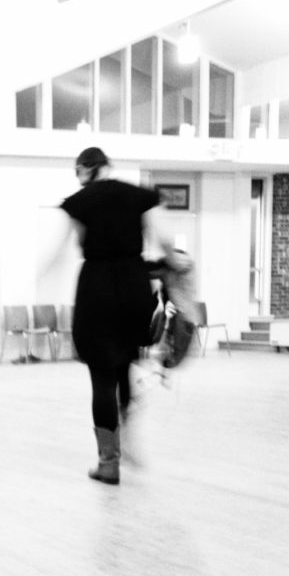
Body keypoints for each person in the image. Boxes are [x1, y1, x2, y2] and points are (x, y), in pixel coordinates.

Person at [54, 147, 182, 485]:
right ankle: (128, 435)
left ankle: (108, 462)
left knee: (101, 377)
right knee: (125, 361)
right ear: (108, 166)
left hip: (95, 288)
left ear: (84, 170)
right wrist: (176, 263)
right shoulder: (139, 195)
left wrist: (43, 272)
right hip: (132, 287)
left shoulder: (80, 201)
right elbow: (165, 241)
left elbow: (67, 244)